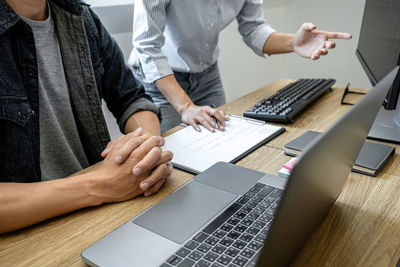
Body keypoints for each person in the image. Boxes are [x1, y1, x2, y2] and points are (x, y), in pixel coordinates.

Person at [0, 0, 173, 234]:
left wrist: (145, 154)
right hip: (32, 234)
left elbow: (132, 99)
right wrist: (100, 184)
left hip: (99, 211)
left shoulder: (81, 18)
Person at [130, 0, 352, 133]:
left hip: (207, 74)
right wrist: (186, 107)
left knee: (221, 145)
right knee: (170, 159)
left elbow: (254, 29)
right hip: (160, 79)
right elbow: (148, 46)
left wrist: (293, 43)